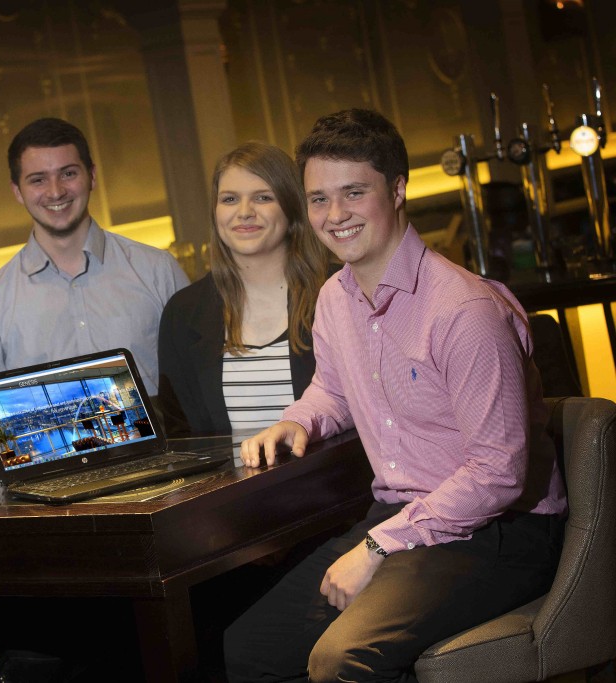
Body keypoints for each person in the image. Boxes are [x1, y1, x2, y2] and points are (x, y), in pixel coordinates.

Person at [224, 109, 568, 683]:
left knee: (341, 660)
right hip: (405, 517)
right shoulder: (336, 296)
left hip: (499, 530)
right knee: (246, 650)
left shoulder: (464, 312)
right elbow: (333, 388)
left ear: (399, 189)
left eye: (354, 193)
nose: (334, 216)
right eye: (318, 199)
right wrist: (299, 421)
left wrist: (379, 548)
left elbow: (498, 474)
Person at [0, 117, 189, 396]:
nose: (55, 191)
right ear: (17, 192)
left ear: (92, 176)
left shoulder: (158, 270)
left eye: (68, 174)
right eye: (38, 180)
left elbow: (198, 376)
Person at [156, 141, 328, 436]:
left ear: (292, 209)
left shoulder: (336, 292)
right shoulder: (182, 313)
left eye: (263, 197)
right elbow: (181, 435)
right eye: (230, 199)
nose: (244, 212)